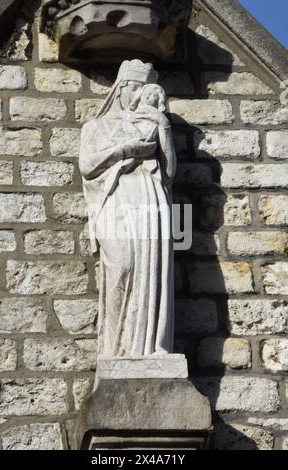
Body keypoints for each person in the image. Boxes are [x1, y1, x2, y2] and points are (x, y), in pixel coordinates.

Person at [79, 60, 177, 357]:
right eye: (135, 88)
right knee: (122, 265)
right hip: (116, 198)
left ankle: (151, 348)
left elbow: (170, 173)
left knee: (153, 268)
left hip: (150, 196)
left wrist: (164, 126)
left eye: (145, 90)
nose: (139, 96)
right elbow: (87, 166)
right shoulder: (95, 126)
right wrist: (123, 150)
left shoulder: (153, 123)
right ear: (120, 88)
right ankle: (116, 350)